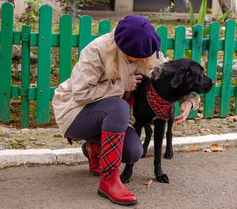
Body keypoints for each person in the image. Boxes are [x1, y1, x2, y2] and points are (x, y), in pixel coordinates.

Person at [52, 15, 200, 206]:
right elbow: (80, 93)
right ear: (124, 50)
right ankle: (109, 182)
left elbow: (167, 78)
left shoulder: (146, 50)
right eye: (140, 57)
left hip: (114, 118)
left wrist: (188, 100)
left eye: (150, 54)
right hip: (76, 114)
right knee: (119, 106)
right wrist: (121, 86)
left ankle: (94, 148)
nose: (147, 59)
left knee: (133, 152)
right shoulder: (96, 50)